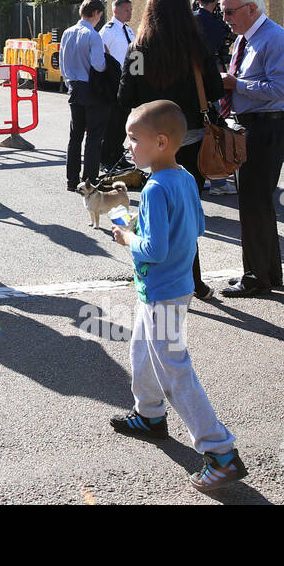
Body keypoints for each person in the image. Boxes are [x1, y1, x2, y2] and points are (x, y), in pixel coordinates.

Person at [108, 100, 247, 492]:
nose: (128, 145)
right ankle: (149, 414)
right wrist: (145, 226)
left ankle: (220, 451)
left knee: (175, 371)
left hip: (161, 293)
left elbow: (153, 250)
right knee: (141, 350)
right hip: (175, 287)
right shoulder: (184, 177)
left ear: (162, 141)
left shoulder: (153, 187)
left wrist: (128, 235)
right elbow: (197, 226)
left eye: (134, 138)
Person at [118, 0, 223, 301]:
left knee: (155, 208)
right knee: (188, 211)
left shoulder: (138, 48)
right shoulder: (196, 46)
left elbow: (126, 95)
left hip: (152, 140)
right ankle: (194, 280)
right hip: (190, 138)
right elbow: (216, 90)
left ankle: (153, 272)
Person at [216, 0, 284, 297]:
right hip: (251, 127)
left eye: (230, 11)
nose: (225, 18)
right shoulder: (245, 40)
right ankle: (268, 273)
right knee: (256, 204)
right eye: (223, 12)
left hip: (266, 127)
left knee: (254, 205)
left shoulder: (275, 37)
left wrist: (237, 85)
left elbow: (280, 91)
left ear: (252, 9)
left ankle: (256, 277)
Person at [61, 0, 111, 191]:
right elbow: (99, 66)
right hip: (91, 88)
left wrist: (68, 83)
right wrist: (107, 57)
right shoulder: (93, 35)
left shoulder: (67, 32)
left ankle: (71, 180)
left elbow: (64, 63)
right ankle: (89, 180)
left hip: (73, 86)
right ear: (97, 13)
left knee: (75, 136)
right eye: (100, 15)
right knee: (94, 137)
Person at [193, 0, 235, 195]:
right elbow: (224, 45)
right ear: (216, 1)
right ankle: (217, 179)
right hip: (210, 78)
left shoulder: (189, 20)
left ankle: (203, 176)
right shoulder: (217, 25)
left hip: (191, 79)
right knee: (213, 129)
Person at [99, 0, 135, 170]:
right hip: (113, 82)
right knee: (112, 123)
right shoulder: (108, 31)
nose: (129, 12)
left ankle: (117, 155)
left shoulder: (129, 30)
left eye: (130, 9)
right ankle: (105, 158)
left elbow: (137, 55)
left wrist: (139, 77)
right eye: (126, 10)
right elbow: (101, 57)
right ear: (115, 11)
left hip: (128, 82)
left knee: (123, 123)